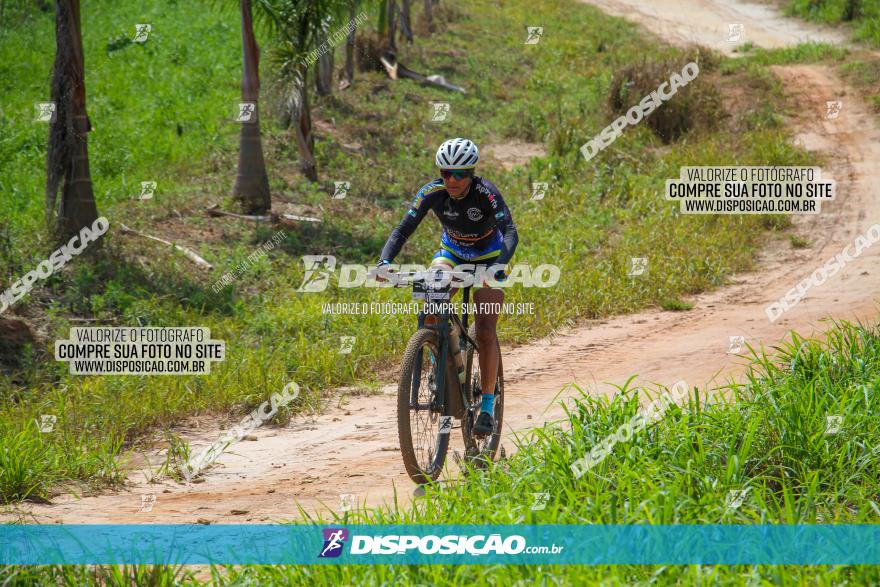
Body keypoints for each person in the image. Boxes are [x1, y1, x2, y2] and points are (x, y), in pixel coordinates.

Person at [377, 138, 518, 436]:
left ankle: (489, 406)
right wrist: (384, 261)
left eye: (460, 174)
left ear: (471, 173)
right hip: (452, 255)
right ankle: (437, 356)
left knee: (485, 328)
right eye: (446, 173)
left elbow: (509, 231)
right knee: (431, 302)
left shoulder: (486, 192)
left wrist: (497, 266)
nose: (452, 180)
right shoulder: (432, 192)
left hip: (489, 256)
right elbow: (404, 228)